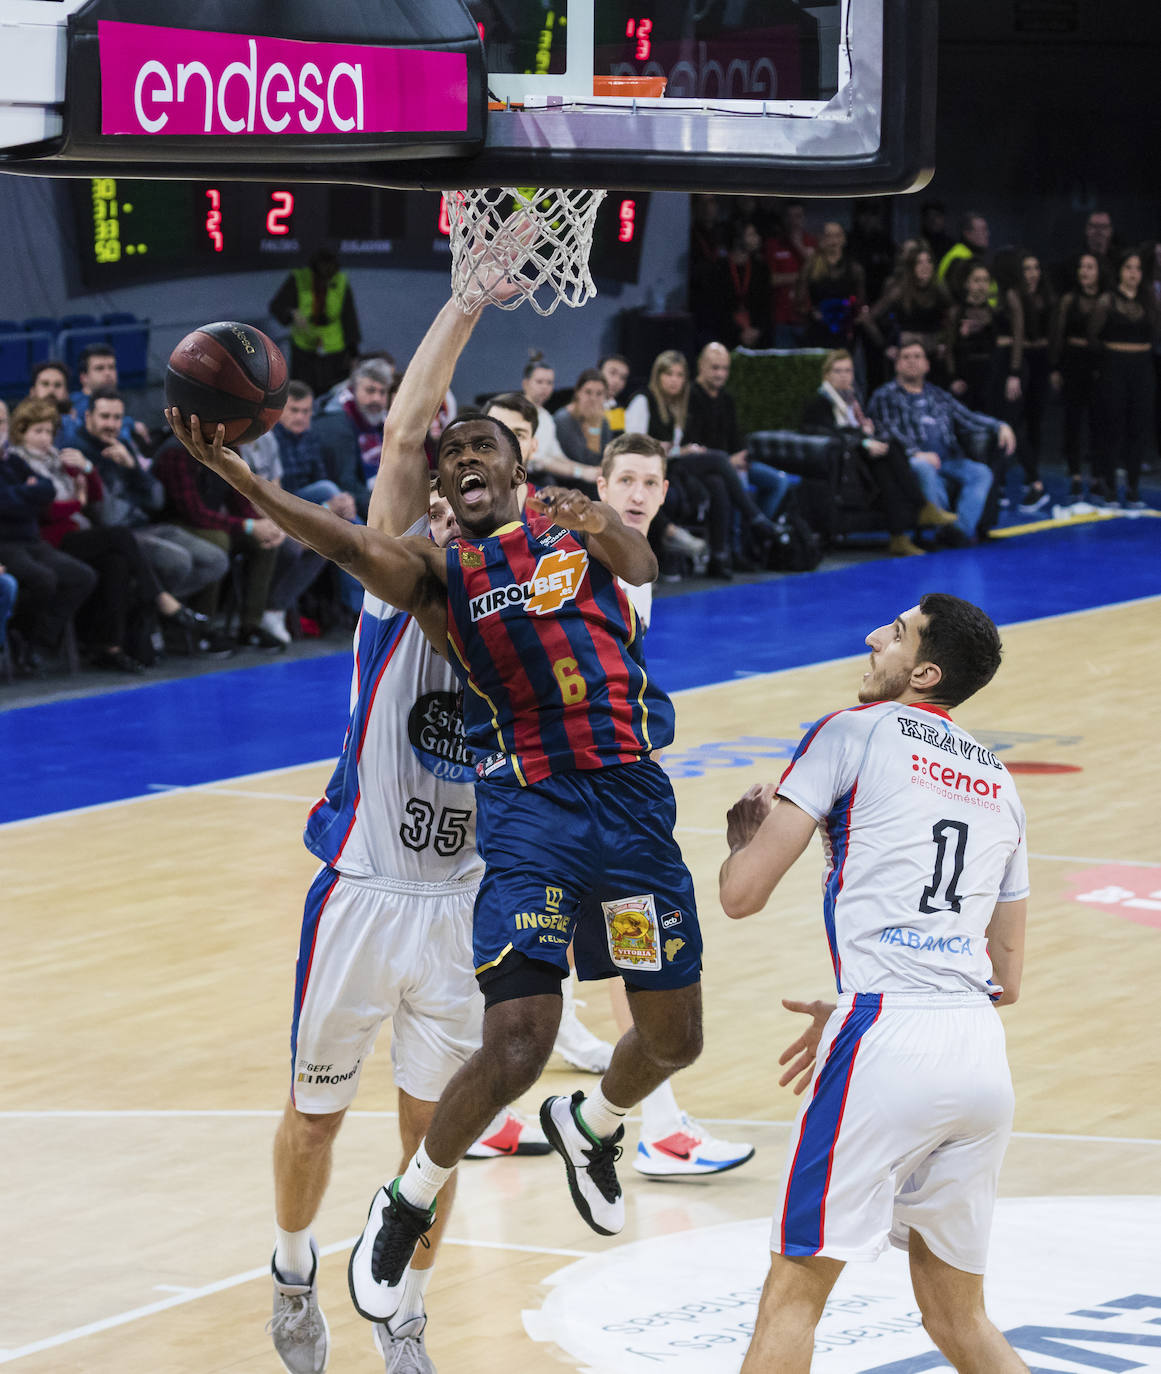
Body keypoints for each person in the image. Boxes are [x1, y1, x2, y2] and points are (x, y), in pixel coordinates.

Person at [165, 377, 704, 1334]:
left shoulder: (572, 535)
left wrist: (595, 521)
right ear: (439, 485)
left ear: (518, 468)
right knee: (511, 1049)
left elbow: (644, 562)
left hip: (621, 805)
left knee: (674, 1038)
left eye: (481, 448)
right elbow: (345, 539)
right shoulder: (432, 581)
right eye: (448, 454)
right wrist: (250, 484)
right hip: (513, 819)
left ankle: (593, 1129)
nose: (461, 459)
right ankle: (371, 1232)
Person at [240, 284, 555, 1374]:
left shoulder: (525, 612)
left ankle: (405, 1313)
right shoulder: (393, 573)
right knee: (315, 1121)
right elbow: (406, 426)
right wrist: (466, 304)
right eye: (444, 471)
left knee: (436, 1141)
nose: (453, 483)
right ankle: (291, 1269)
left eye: (486, 470)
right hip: (363, 894)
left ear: (513, 494)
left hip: (460, 909)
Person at [719, 593, 1029, 1374]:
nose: (871, 638)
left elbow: (740, 896)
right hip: (978, 1053)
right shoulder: (1000, 781)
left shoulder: (848, 730)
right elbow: (1007, 976)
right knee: (961, 1320)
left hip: (886, 1041)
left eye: (893, 634)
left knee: (791, 1296)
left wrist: (740, 843)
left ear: (921, 671)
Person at [594, 430, 755, 1178]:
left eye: (648, 483)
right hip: (589, 794)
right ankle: (654, 1127)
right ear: (598, 484)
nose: (635, 494)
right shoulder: (588, 564)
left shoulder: (638, 570)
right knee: (639, 947)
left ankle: (623, 1116)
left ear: (663, 493)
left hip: (598, 788)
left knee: (583, 951)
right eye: (623, 479)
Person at [67, 387, 233, 653]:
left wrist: (132, 468)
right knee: (179, 561)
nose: (111, 424)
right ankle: (157, 614)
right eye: (105, 417)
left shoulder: (123, 445)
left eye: (117, 417)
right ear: (88, 416)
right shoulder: (77, 453)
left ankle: (145, 607)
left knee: (216, 560)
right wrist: (105, 477)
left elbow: (156, 499)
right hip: (119, 537)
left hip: (149, 525)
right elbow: (106, 516)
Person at [625, 350, 776, 578]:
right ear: (658, 375)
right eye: (669, 374)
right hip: (647, 468)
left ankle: (719, 556)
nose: (674, 380)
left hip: (672, 466)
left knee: (717, 482)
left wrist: (680, 449)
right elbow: (630, 444)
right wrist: (668, 448)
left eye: (679, 375)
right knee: (720, 460)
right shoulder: (643, 400)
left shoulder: (678, 405)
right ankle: (754, 517)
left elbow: (675, 446)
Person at [800, 350, 954, 557]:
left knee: (889, 459)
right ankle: (922, 507)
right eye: (838, 371)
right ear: (826, 375)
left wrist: (867, 434)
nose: (844, 375)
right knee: (889, 455)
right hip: (843, 462)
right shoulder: (820, 403)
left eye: (848, 371)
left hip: (860, 457)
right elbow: (827, 433)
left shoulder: (852, 401)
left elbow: (853, 430)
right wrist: (864, 441)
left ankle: (899, 537)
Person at [867, 339, 1016, 545]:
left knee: (981, 473)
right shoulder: (885, 396)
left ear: (927, 365)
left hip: (948, 459)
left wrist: (1000, 425)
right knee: (925, 468)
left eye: (917, 357)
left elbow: (968, 417)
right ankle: (941, 527)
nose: (912, 362)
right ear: (897, 364)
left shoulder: (938, 395)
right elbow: (886, 431)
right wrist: (915, 453)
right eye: (906, 357)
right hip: (912, 460)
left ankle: (959, 531)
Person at [152, 429, 287, 651]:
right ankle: (204, 629)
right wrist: (248, 525)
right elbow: (192, 512)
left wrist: (262, 527)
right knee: (219, 541)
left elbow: (239, 497)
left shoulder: (228, 447)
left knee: (263, 543)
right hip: (173, 525)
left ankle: (250, 627)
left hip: (210, 521)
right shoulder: (175, 451)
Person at [687, 343, 791, 521]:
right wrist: (729, 461)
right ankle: (738, 544)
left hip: (733, 462)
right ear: (701, 366)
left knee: (779, 481)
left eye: (725, 369)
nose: (720, 374)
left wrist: (743, 456)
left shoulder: (727, 399)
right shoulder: (689, 397)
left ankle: (758, 535)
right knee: (738, 482)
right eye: (715, 368)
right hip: (708, 467)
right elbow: (693, 444)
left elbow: (736, 437)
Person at [1087, 248, 1157, 508]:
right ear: (1119, 271)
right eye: (1128, 268)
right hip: (1114, 366)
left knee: (1138, 427)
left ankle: (1133, 486)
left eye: (1138, 269)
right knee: (1112, 426)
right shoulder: (1107, 300)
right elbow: (1093, 336)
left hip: (1142, 368)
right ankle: (1109, 486)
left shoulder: (1149, 300)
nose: (1133, 274)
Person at [269, 246, 362, 395]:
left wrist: (354, 354)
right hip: (304, 348)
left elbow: (349, 317)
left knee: (333, 393)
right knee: (302, 392)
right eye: (321, 277)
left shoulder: (341, 280)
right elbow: (276, 307)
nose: (325, 281)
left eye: (329, 277)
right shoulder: (298, 278)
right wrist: (291, 313)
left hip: (335, 349)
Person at [1050, 252, 1104, 501]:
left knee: (1098, 422)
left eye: (1090, 267)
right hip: (1072, 363)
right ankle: (1074, 475)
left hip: (1099, 364)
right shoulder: (1069, 300)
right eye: (1082, 267)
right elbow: (1058, 335)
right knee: (1073, 420)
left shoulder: (1107, 299)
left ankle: (1097, 476)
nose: (1085, 271)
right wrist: (1056, 367)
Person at [311, 359, 393, 516]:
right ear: (353, 389)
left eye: (382, 392)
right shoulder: (336, 423)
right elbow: (346, 483)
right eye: (370, 391)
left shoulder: (378, 421)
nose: (376, 398)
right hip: (338, 504)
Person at [62, 343, 151, 450]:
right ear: (83, 377)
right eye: (100, 368)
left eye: (111, 367)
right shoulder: (71, 404)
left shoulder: (119, 401)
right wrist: (129, 423)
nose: (108, 373)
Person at [798, 222, 868, 349]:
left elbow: (861, 301)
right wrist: (810, 312)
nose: (833, 240)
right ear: (822, 239)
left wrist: (852, 316)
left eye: (837, 236)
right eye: (828, 236)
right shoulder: (811, 266)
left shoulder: (854, 268)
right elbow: (799, 299)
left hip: (844, 329)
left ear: (843, 239)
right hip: (817, 328)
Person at [764, 200, 816, 348]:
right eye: (790, 216)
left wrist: (798, 245)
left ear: (804, 218)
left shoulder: (812, 242)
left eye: (798, 216)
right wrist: (802, 277)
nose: (794, 221)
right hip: (781, 318)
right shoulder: (773, 244)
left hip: (807, 317)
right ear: (784, 218)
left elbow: (817, 275)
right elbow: (771, 279)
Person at [551, 369, 612, 492]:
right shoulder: (563, 419)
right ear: (578, 393)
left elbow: (602, 458)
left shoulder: (603, 420)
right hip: (569, 483)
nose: (593, 398)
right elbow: (583, 459)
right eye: (588, 392)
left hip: (593, 481)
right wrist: (594, 426)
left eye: (599, 393)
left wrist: (595, 424)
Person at [520, 357, 567, 469]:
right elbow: (531, 460)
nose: (545, 387)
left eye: (549, 383)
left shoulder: (546, 418)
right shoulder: (514, 412)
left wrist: (586, 470)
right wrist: (580, 473)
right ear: (526, 384)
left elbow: (558, 456)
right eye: (539, 382)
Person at [937, 212, 990, 299]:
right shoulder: (959, 258)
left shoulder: (967, 253)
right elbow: (956, 295)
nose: (987, 234)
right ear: (967, 234)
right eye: (983, 230)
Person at [598, 354, 631, 433]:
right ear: (598, 373)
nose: (617, 381)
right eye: (612, 373)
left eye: (623, 378)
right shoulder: (579, 404)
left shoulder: (622, 411)